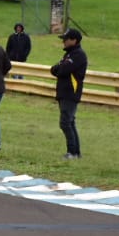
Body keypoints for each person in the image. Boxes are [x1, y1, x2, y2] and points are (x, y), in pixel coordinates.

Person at [51, 29, 87, 160]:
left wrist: (60, 67)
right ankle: (75, 152)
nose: (63, 42)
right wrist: (59, 67)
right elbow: (54, 69)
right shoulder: (69, 55)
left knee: (65, 122)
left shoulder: (78, 55)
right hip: (64, 92)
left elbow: (63, 70)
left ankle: (72, 152)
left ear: (74, 40)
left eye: (66, 39)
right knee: (69, 122)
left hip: (71, 93)